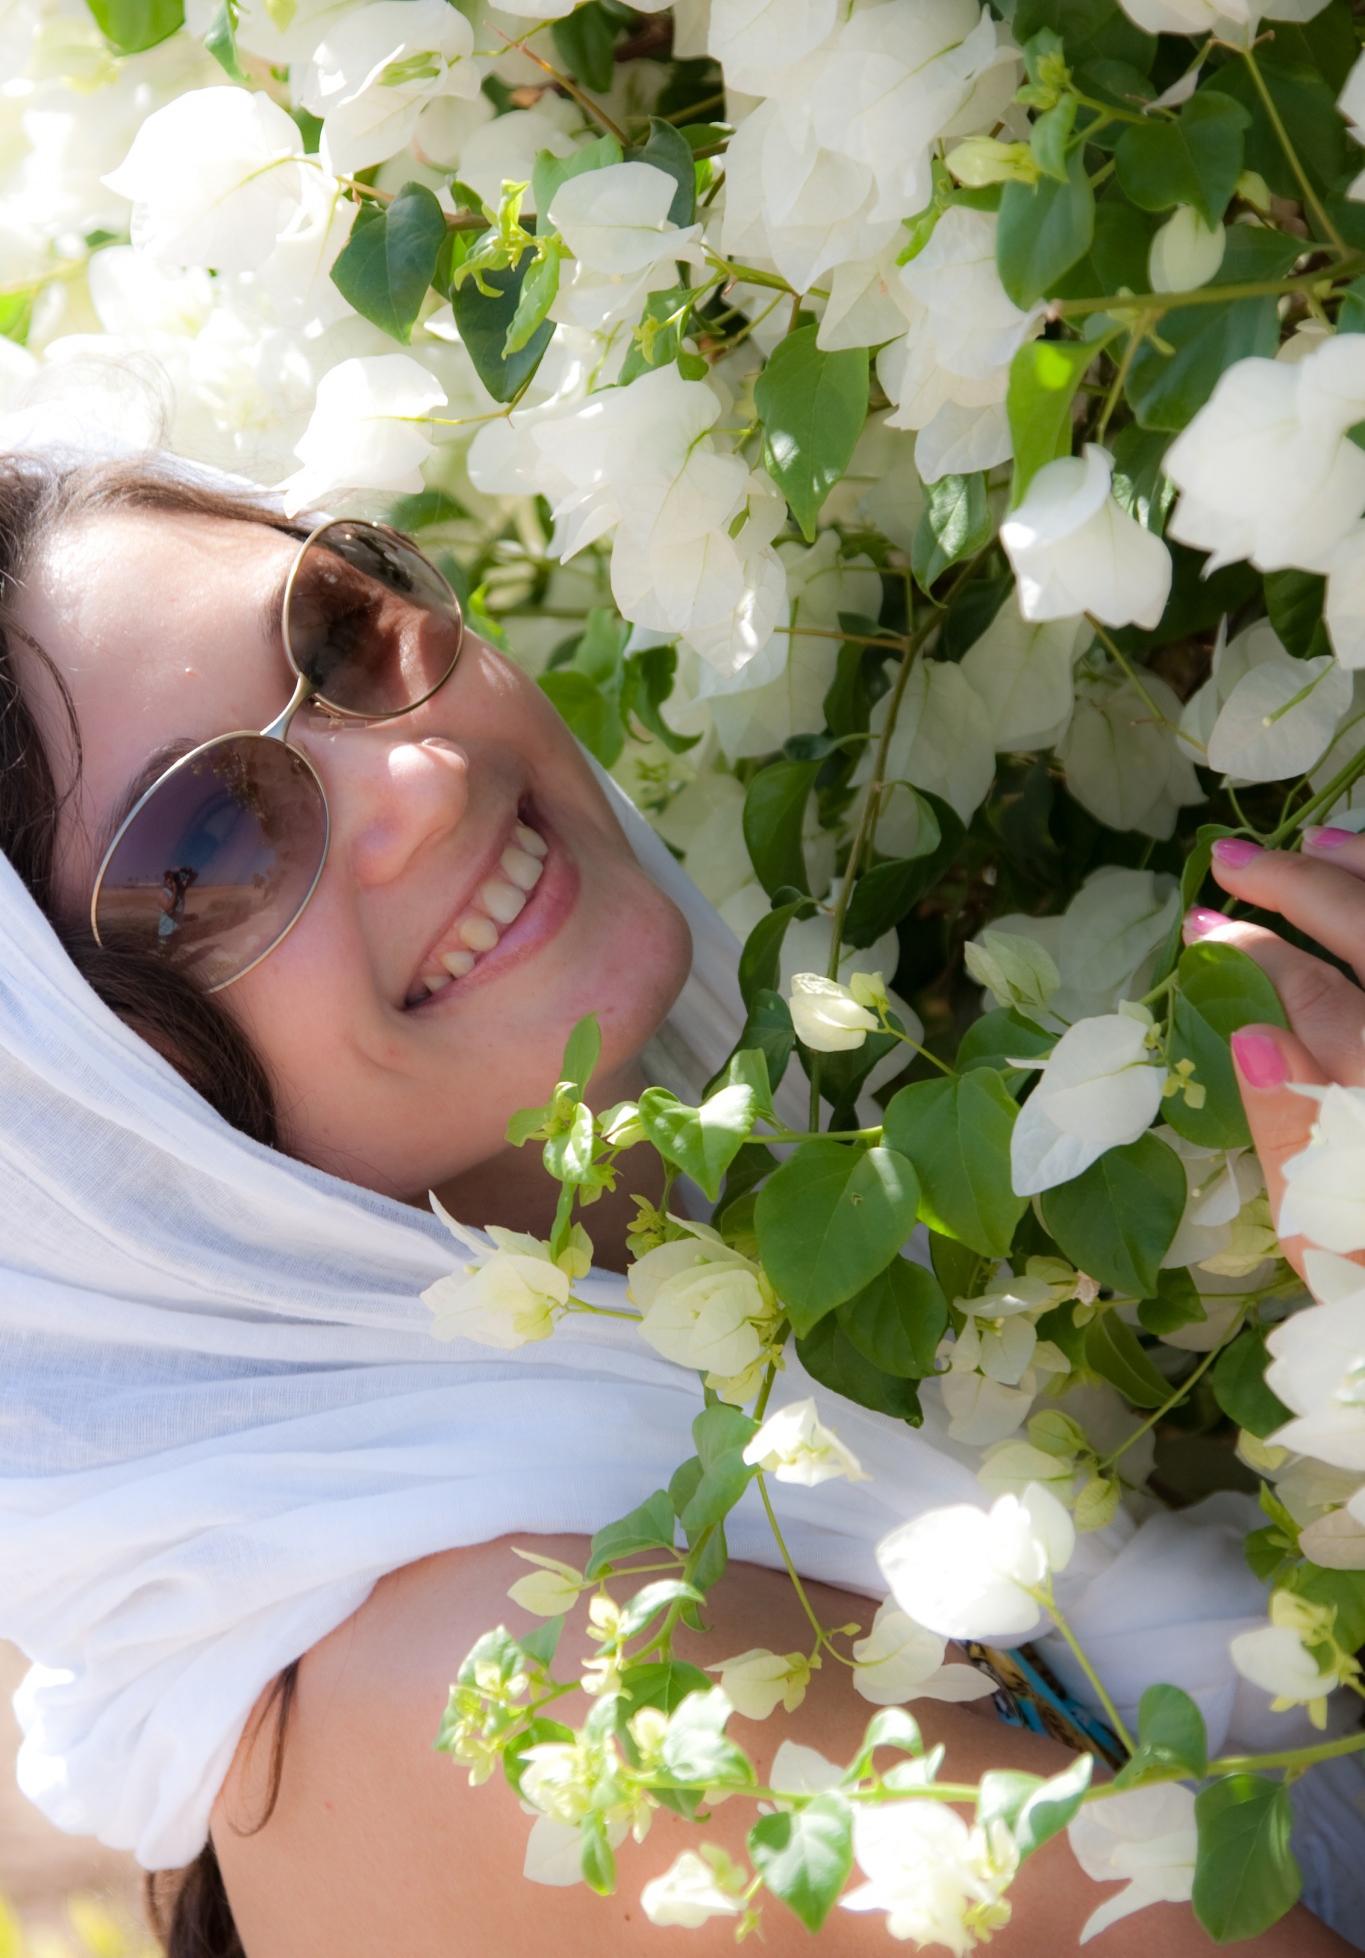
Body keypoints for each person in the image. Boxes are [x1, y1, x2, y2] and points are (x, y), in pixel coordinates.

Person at [0, 435, 1355, 1958]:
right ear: (88, 1132)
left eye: (342, 630)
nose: (423, 780)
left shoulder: (755, 1338)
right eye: (211, 843)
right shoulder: (547, 1694)